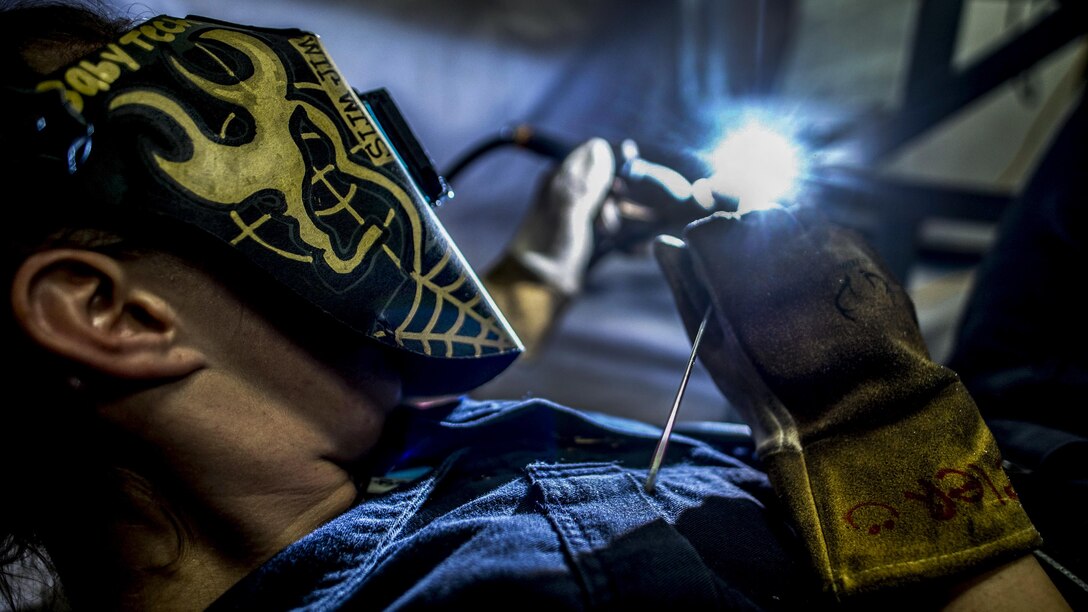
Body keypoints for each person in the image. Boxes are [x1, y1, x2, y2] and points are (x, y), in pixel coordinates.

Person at [0, 1, 1071, 610]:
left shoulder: (311, 450)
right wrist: (865, 406)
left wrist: (550, 254)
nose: (383, 164)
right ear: (110, 314)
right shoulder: (524, 601)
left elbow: (430, 366)